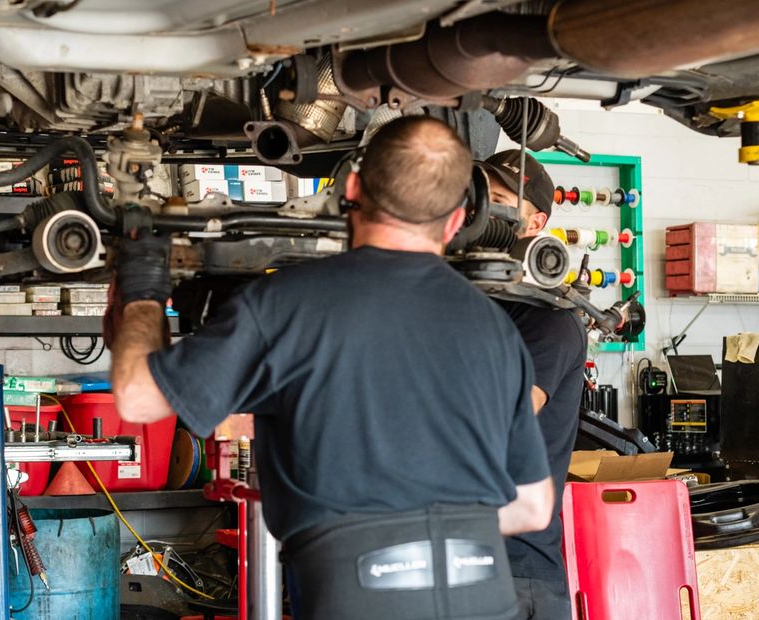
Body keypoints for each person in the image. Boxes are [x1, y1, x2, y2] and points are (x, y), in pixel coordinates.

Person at [108, 116, 554, 619]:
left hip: (358, 597)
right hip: (486, 596)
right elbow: (532, 507)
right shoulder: (496, 328)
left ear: (354, 188)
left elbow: (138, 397)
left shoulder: (284, 304)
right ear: (457, 219)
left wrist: (144, 289)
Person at [479, 150, 589, 620]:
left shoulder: (550, 321)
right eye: (481, 197)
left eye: (502, 201)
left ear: (535, 221)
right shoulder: (470, 305)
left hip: (517, 572)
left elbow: (503, 419)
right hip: (455, 558)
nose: (487, 212)